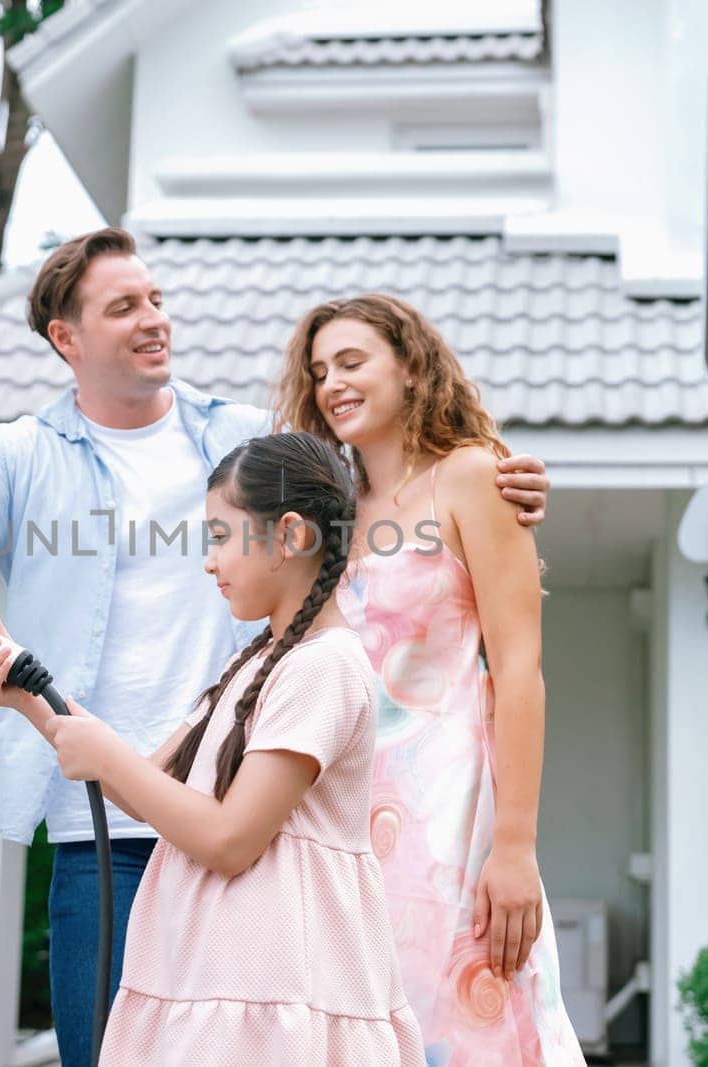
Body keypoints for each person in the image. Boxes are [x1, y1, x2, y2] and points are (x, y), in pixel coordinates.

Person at [0, 228, 551, 1065]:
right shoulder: (22, 456)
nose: (154, 319)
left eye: (156, 299)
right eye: (124, 307)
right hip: (112, 819)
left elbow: (384, 468)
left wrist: (498, 474)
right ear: (67, 339)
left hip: (259, 815)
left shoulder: (246, 441)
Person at [0, 433, 425, 1065]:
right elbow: (145, 790)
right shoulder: (254, 663)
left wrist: (107, 755)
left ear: (291, 535)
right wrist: (29, 696)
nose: (208, 562)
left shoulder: (323, 668)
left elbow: (231, 839)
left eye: (222, 537)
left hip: (276, 990)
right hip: (224, 978)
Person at [273, 294, 586, 1065]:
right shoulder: (327, 517)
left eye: (352, 362)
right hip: (336, 821)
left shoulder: (474, 478)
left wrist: (513, 846)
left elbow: (518, 670)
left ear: (412, 369)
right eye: (319, 371)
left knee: (469, 1030)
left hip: (450, 818)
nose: (331, 384)